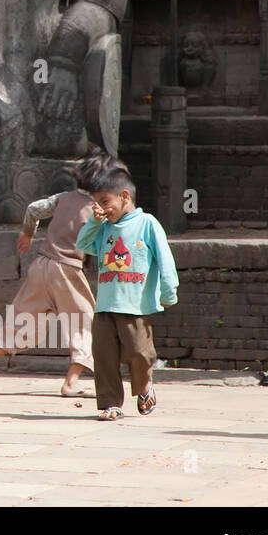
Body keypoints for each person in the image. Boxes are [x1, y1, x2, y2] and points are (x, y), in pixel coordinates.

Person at [0, 148, 126, 397]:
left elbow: (33, 208)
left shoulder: (64, 197)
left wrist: (28, 233)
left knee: (25, 323)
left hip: (41, 264)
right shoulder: (100, 207)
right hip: (67, 269)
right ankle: (72, 381)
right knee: (84, 322)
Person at [76, 167, 179, 421]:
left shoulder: (147, 224)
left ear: (124, 196)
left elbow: (165, 259)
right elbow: (82, 245)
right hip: (105, 305)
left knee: (140, 353)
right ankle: (110, 404)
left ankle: (144, 385)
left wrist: (169, 290)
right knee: (103, 355)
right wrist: (93, 222)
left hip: (135, 306)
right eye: (96, 204)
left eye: (104, 202)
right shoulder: (103, 229)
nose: (101, 208)